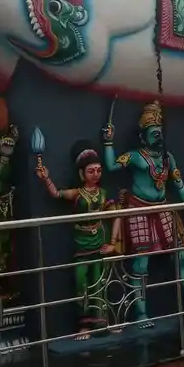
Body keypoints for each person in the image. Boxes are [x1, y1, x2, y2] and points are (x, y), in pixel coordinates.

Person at [102, 101, 184, 322]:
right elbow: (111, 166)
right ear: (143, 137)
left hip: (164, 210)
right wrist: (108, 141)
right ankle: (141, 314)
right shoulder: (136, 157)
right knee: (140, 264)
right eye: (153, 133)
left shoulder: (167, 158)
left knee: (181, 257)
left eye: (160, 133)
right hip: (139, 211)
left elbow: (180, 187)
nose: (158, 136)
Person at [37, 140, 122, 337]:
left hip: (99, 243)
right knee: (81, 283)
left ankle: (102, 323)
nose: (96, 174)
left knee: (99, 283)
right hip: (82, 246)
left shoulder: (103, 194)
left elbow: (117, 215)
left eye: (98, 170)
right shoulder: (77, 193)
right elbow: (56, 194)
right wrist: (46, 179)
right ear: (82, 173)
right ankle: (84, 325)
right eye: (91, 171)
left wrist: (113, 243)